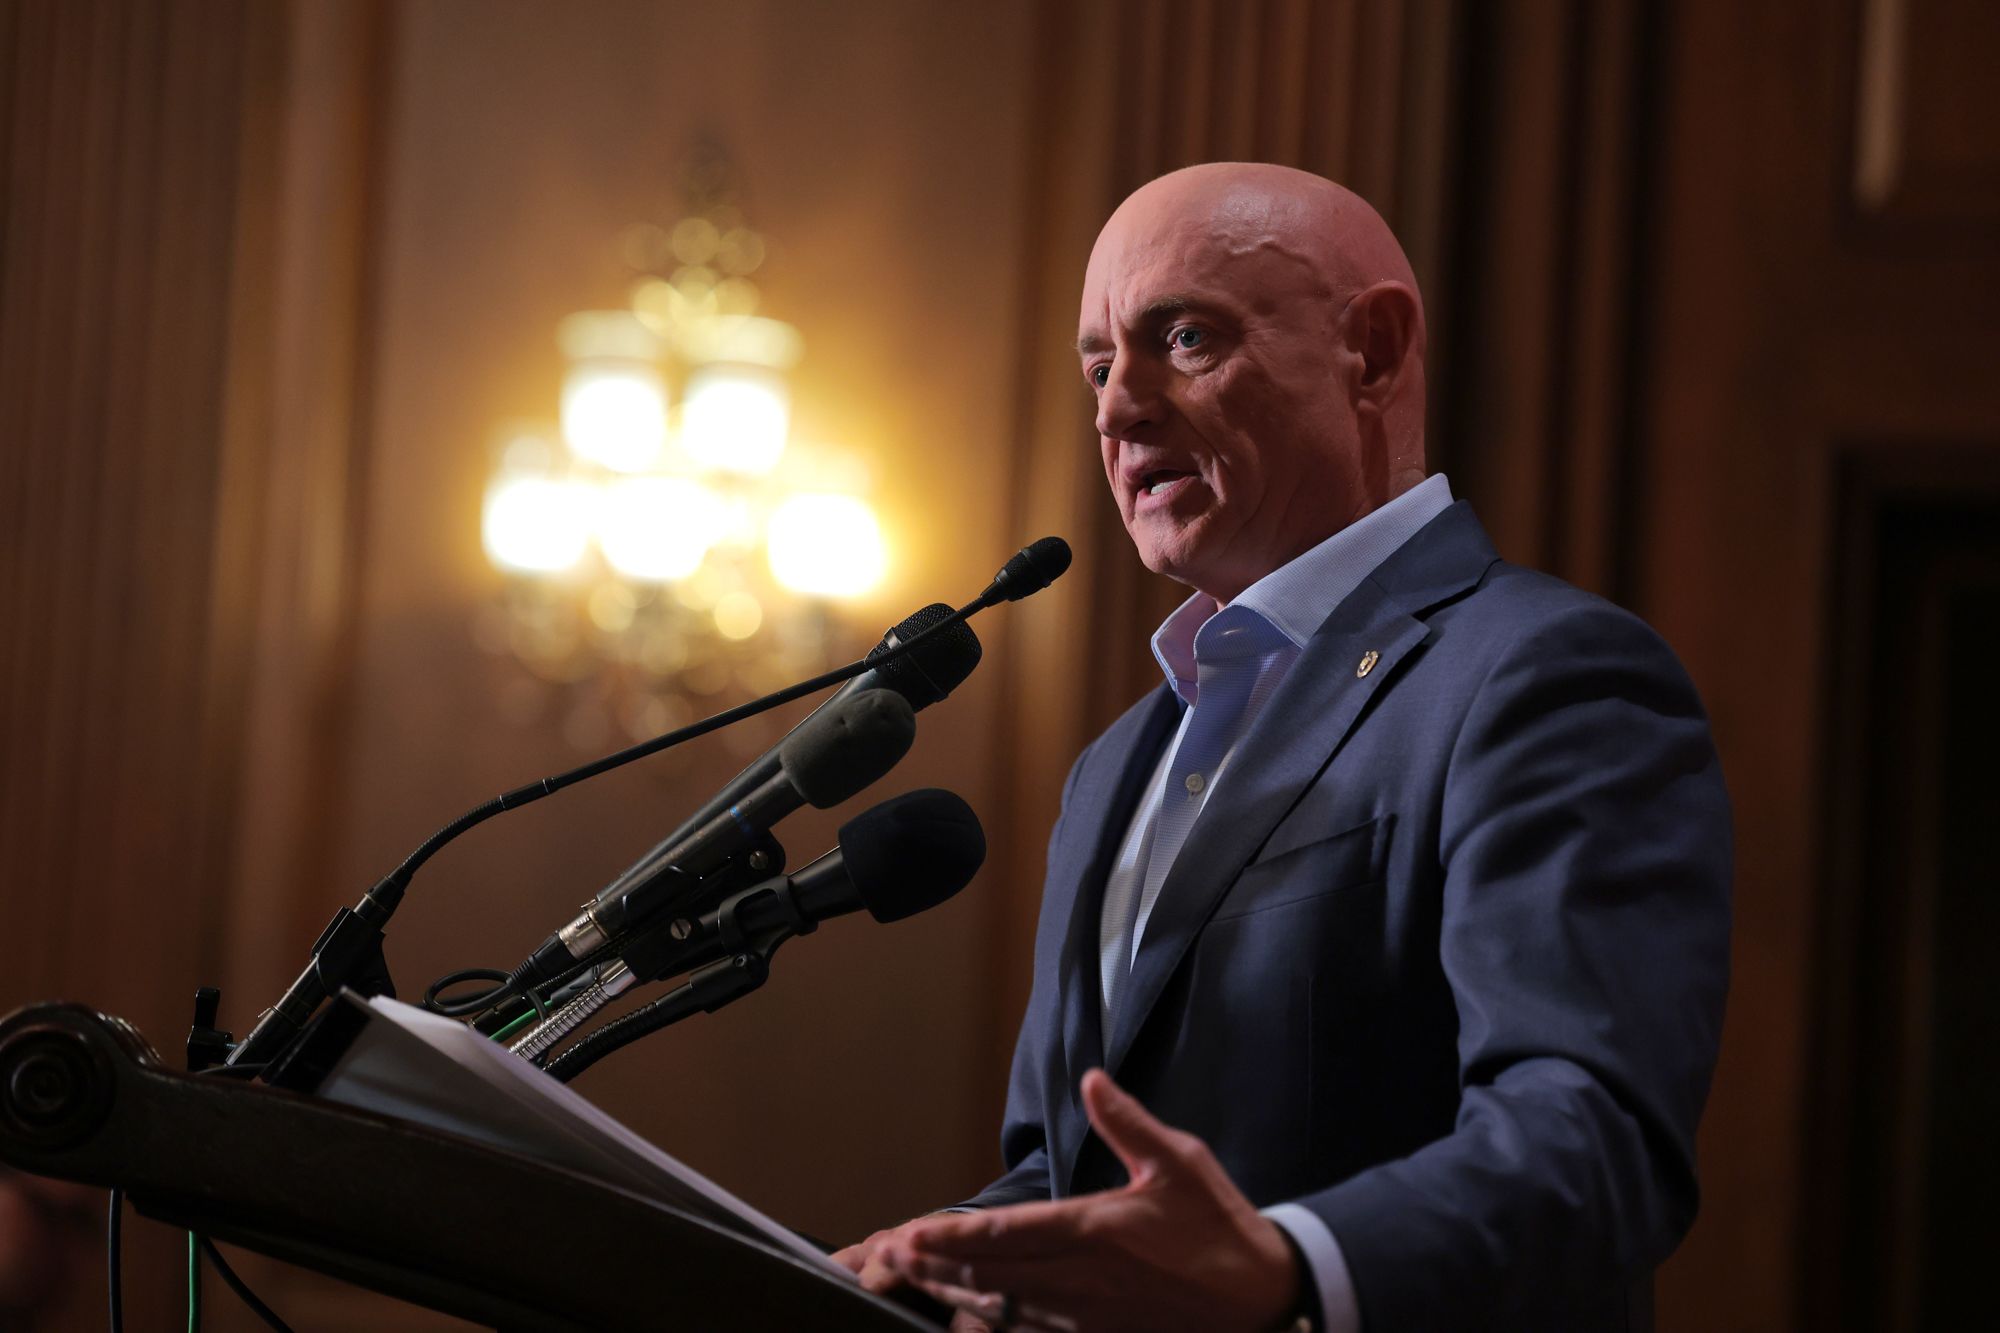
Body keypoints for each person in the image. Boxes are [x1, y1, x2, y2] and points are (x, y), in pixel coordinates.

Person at [835, 163, 1731, 1332]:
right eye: (1100, 364)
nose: (1115, 410)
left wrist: (1286, 1267)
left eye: (1185, 337)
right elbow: (1077, 1183)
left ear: (1370, 348)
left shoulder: (1539, 675)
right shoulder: (1113, 765)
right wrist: (913, 1267)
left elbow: (1591, 1140)